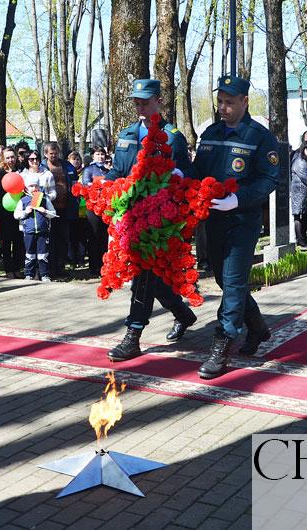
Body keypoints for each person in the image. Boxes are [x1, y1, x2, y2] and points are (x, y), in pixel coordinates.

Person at [192, 75, 280, 379]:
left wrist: (239, 199)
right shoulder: (212, 132)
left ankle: (223, 342)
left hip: (242, 220)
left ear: (245, 102)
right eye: (220, 101)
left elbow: (270, 179)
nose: (223, 107)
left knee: (232, 280)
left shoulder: (259, 137)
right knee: (224, 279)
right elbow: (199, 170)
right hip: (213, 219)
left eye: (230, 102)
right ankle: (258, 328)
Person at [104, 78, 197, 363]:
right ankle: (183, 314)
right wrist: (101, 187)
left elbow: (185, 178)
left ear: (159, 101)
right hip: (130, 218)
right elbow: (117, 172)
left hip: (160, 222)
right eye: (137, 103)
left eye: (146, 102)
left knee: (143, 276)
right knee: (153, 279)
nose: (141, 108)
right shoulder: (127, 135)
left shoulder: (172, 137)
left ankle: (133, 335)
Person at [40, 142, 78, 277]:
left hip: (64, 209)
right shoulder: (41, 167)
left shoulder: (66, 166)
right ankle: (50, 268)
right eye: (51, 153)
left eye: (56, 153)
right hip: (48, 211)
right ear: (45, 154)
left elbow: (74, 182)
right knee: (50, 239)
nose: (54, 155)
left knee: (63, 239)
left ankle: (61, 267)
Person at [13, 176, 56, 281]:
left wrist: (44, 211)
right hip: (28, 231)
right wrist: (25, 212)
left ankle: (44, 274)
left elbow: (53, 214)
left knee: (43, 254)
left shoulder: (44, 199)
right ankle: (29, 274)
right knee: (29, 254)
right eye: (31, 186)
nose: (34, 188)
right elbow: (16, 215)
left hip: (43, 231)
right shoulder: (23, 200)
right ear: (27, 188)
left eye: (36, 185)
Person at [0, 147, 25, 278]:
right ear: (3, 158)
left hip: (19, 211)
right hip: (5, 213)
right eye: (7, 157)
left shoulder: (21, 171)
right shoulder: (0, 174)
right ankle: (8, 270)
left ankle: (17, 268)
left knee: (19, 241)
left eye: (12, 157)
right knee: (6, 243)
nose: (10, 160)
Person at [80, 147, 109, 274]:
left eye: (102, 154)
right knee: (94, 235)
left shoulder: (109, 170)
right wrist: (101, 184)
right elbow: (86, 184)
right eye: (98, 154)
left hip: (106, 207)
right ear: (93, 156)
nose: (100, 156)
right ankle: (93, 265)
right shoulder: (88, 169)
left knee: (104, 235)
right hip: (93, 207)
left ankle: (104, 265)